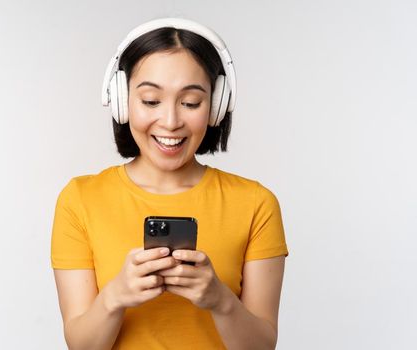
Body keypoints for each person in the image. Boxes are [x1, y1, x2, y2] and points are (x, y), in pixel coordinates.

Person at [50, 18, 288, 349]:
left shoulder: (256, 204)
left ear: (216, 107)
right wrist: (115, 297)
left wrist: (220, 300)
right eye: (150, 100)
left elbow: (262, 347)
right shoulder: (80, 199)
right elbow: (82, 346)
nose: (171, 121)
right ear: (122, 100)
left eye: (190, 103)